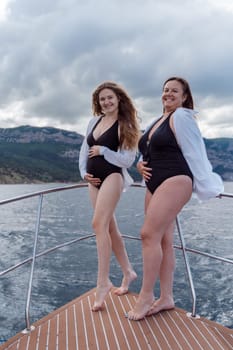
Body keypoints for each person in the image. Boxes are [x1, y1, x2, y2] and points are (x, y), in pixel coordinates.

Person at [127, 76, 224, 320]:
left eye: (175, 91)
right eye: (165, 90)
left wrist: (209, 184)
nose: (168, 93)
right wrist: (140, 164)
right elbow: (149, 151)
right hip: (153, 183)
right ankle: (167, 297)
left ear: (184, 97)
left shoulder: (182, 116)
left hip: (176, 178)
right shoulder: (156, 121)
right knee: (163, 241)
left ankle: (146, 295)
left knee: (147, 235)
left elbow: (195, 150)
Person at [79, 81, 141, 311]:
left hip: (112, 177)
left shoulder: (126, 124)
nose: (106, 102)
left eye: (110, 98)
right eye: (102, 99)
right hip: (93, 180)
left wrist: (104, 150)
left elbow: (127, 160)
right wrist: (84, 173)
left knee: (98, 223)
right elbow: (84, 152)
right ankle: (128, 272)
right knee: (110, 228)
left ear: (118, 100)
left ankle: (102, 282)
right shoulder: (93, 121)